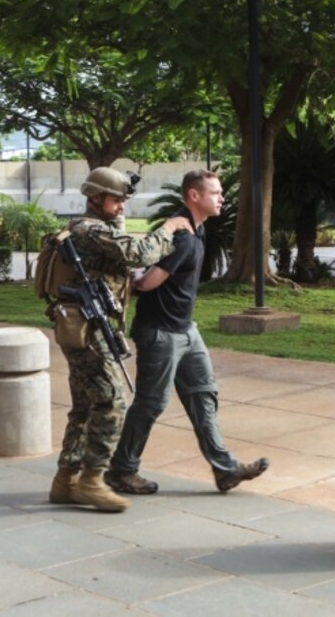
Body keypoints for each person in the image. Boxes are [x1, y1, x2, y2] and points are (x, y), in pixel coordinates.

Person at [106, 170, 269, 495]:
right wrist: (139, 279)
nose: (221, 198)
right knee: (151, 403)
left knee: (203, 394)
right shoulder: (182, 236)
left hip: (186, 330)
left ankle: (225, 470)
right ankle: (122, 470)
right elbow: (148, 282)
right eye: (215, 193)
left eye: (221, 193)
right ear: (194, 196)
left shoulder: (197, 229)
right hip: (160, 333)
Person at [48, 167, 191, 513]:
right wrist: (169, 228)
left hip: (86, 325)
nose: (122, 207)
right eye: (116, 200)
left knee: (86, 403)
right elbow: (140, 252)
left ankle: (66, 480)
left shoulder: (94, 229)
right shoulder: (89, 230)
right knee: (113, 402)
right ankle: (92, 481)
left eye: (124, 201)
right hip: (87, 328)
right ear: (95, 198)